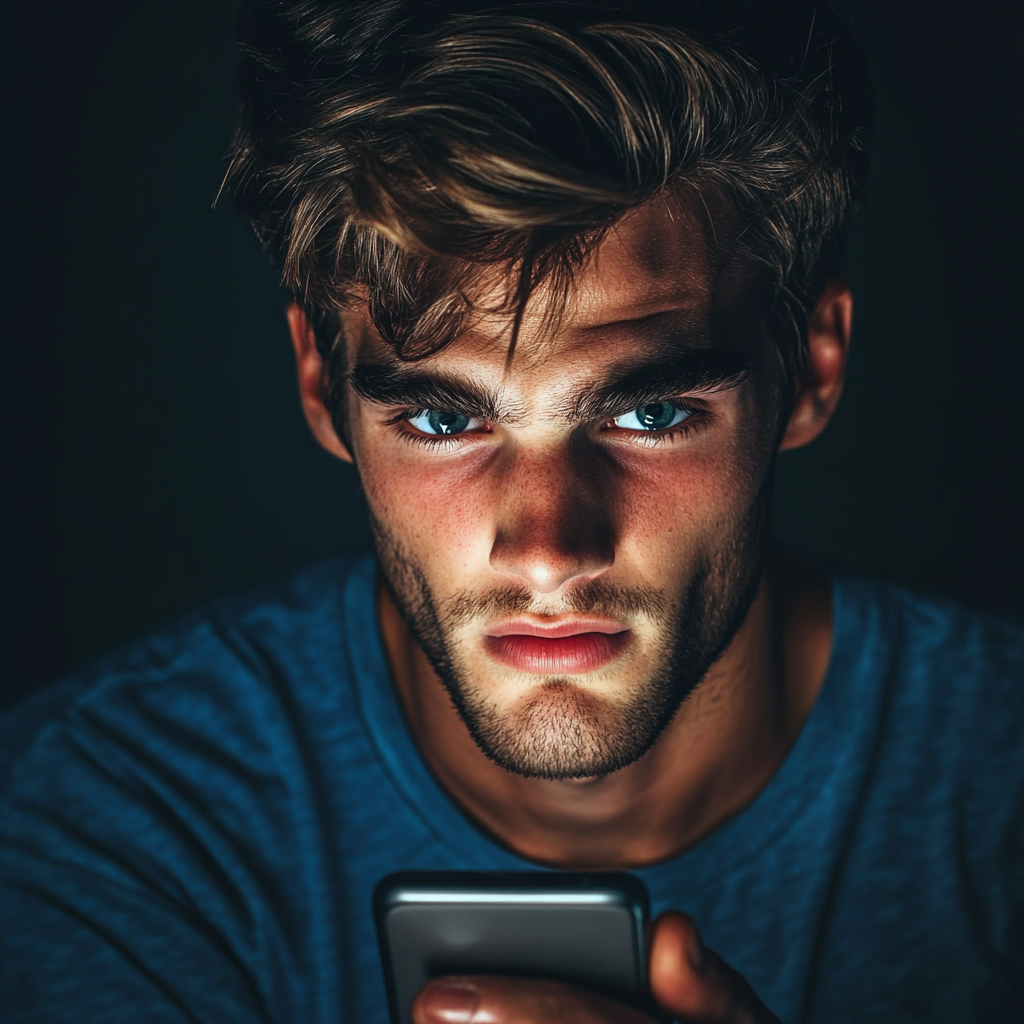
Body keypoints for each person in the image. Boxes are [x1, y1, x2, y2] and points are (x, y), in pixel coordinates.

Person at [1, 1, 1021, 1021]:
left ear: (808, 372)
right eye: (444, 421)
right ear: (321, 387)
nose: (545, 552)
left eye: (649, 411)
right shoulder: (96, 834)